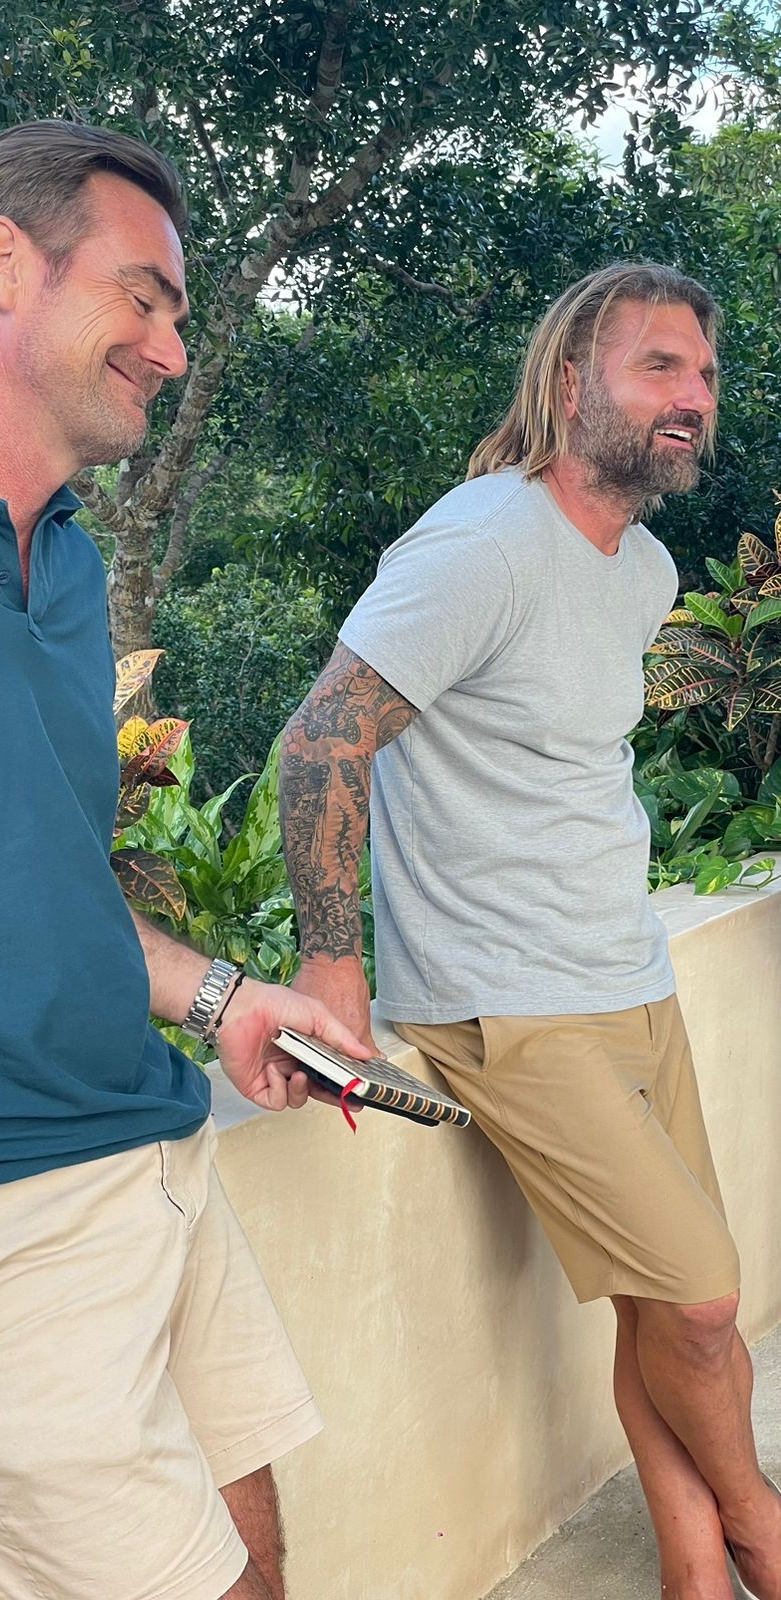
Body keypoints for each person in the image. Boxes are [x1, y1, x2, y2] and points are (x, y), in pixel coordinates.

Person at [0, 119, 370, 1600]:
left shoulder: (73, 560)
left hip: (152, 1149)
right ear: (5, 265)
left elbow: (33, 875)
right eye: (142, 298)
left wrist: (224, 998)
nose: (171, 347)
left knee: (262, 1563)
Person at [279, 262, 781, 1600]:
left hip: (628, 972)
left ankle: (695, 1570)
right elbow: (323, 738)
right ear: (570, 382)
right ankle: (761, 1529)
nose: (693, 397)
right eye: (659, 366)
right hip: (508, 1000)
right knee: (704, 1302)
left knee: (659, 1303)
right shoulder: (482, 544)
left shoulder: (645, 568)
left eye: (705, 373)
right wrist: (333, 966)